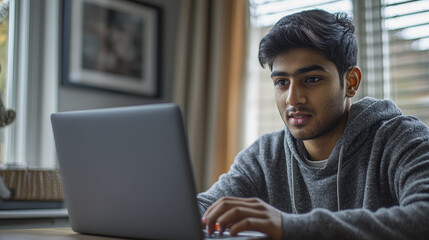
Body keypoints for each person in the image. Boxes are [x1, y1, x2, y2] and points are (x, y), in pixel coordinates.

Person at [197, 9, 429, 240]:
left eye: (311, 79)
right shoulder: (266, 155)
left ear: (351, 82)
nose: (292, 98)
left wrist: (289, 226)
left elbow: (423, 217)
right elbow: (202, 209)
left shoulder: (403, 139)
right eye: (281, 82)